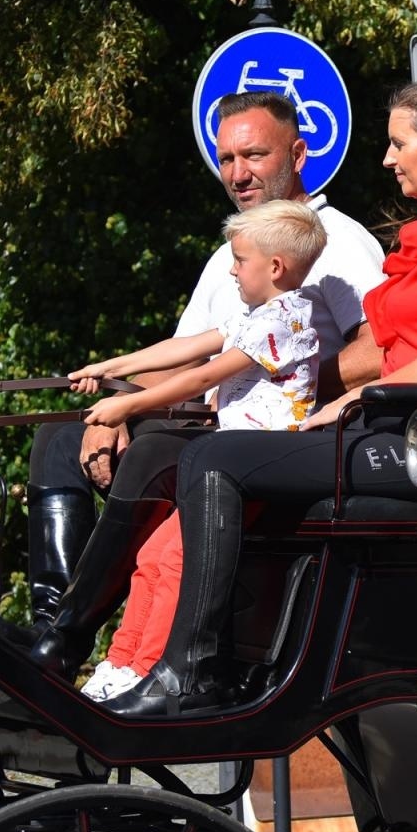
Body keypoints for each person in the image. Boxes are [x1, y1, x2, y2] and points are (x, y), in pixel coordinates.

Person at [101, 77, 417, 716]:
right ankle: (127, 656)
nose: (387, 158)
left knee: (214, 458)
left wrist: (349, 401)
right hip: (388, 428)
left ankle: (191, 673)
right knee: (195, 459)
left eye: (398, 143)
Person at [17, 91, 385, 676]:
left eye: (255, 155)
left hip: (265, 440)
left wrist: (287, 376)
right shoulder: (233, 250)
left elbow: (379, 351)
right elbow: (186, 354)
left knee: (154, 454)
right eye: (227, 159)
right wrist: (118, 405)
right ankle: (51, 631)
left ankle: (68, 639)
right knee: (59, 439)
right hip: (210, 422)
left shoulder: (337, 241)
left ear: (297, 153)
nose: (238, 173)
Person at [70, 201, 328, 701]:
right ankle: (120, 663)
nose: (232, 270)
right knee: (154, 553)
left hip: (255, 468)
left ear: (275, 267)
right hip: (226, 463)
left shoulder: (286, 320)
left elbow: (204, 375)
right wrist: (109, 368)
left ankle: (146, 670)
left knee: (176, 560)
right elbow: (187, 347)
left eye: (240, 260)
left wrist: (129, 405)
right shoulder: (256, 315)